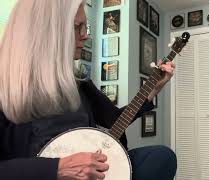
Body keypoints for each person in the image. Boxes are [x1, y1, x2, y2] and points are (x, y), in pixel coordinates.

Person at [0, 0, 177, 180]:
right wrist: (58, 168)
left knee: (160, 157)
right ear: (46, 31)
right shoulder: (6, 84)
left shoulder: (79, 81)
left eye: (86, 27)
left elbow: (115, 119)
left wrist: (153, 89)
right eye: (78, 27)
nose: (85, 35)